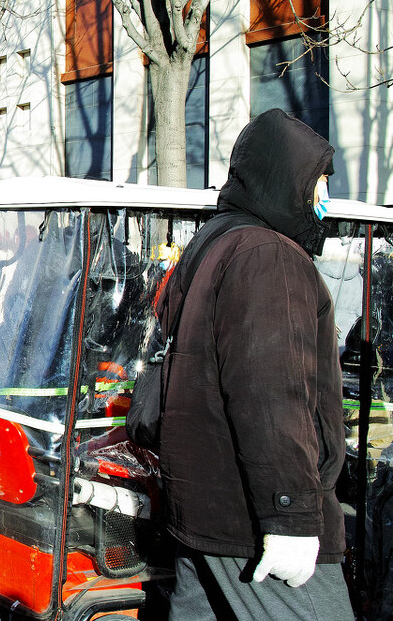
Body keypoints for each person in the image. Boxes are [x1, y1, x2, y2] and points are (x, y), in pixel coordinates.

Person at [157, 108, 350, 620]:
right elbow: (271, 394)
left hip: (204, 509)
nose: (323, 200)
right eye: (317, 185)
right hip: (255, 519)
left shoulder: (214, 243)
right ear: (285, 180)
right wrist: (291, 516)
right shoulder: (268, 255)